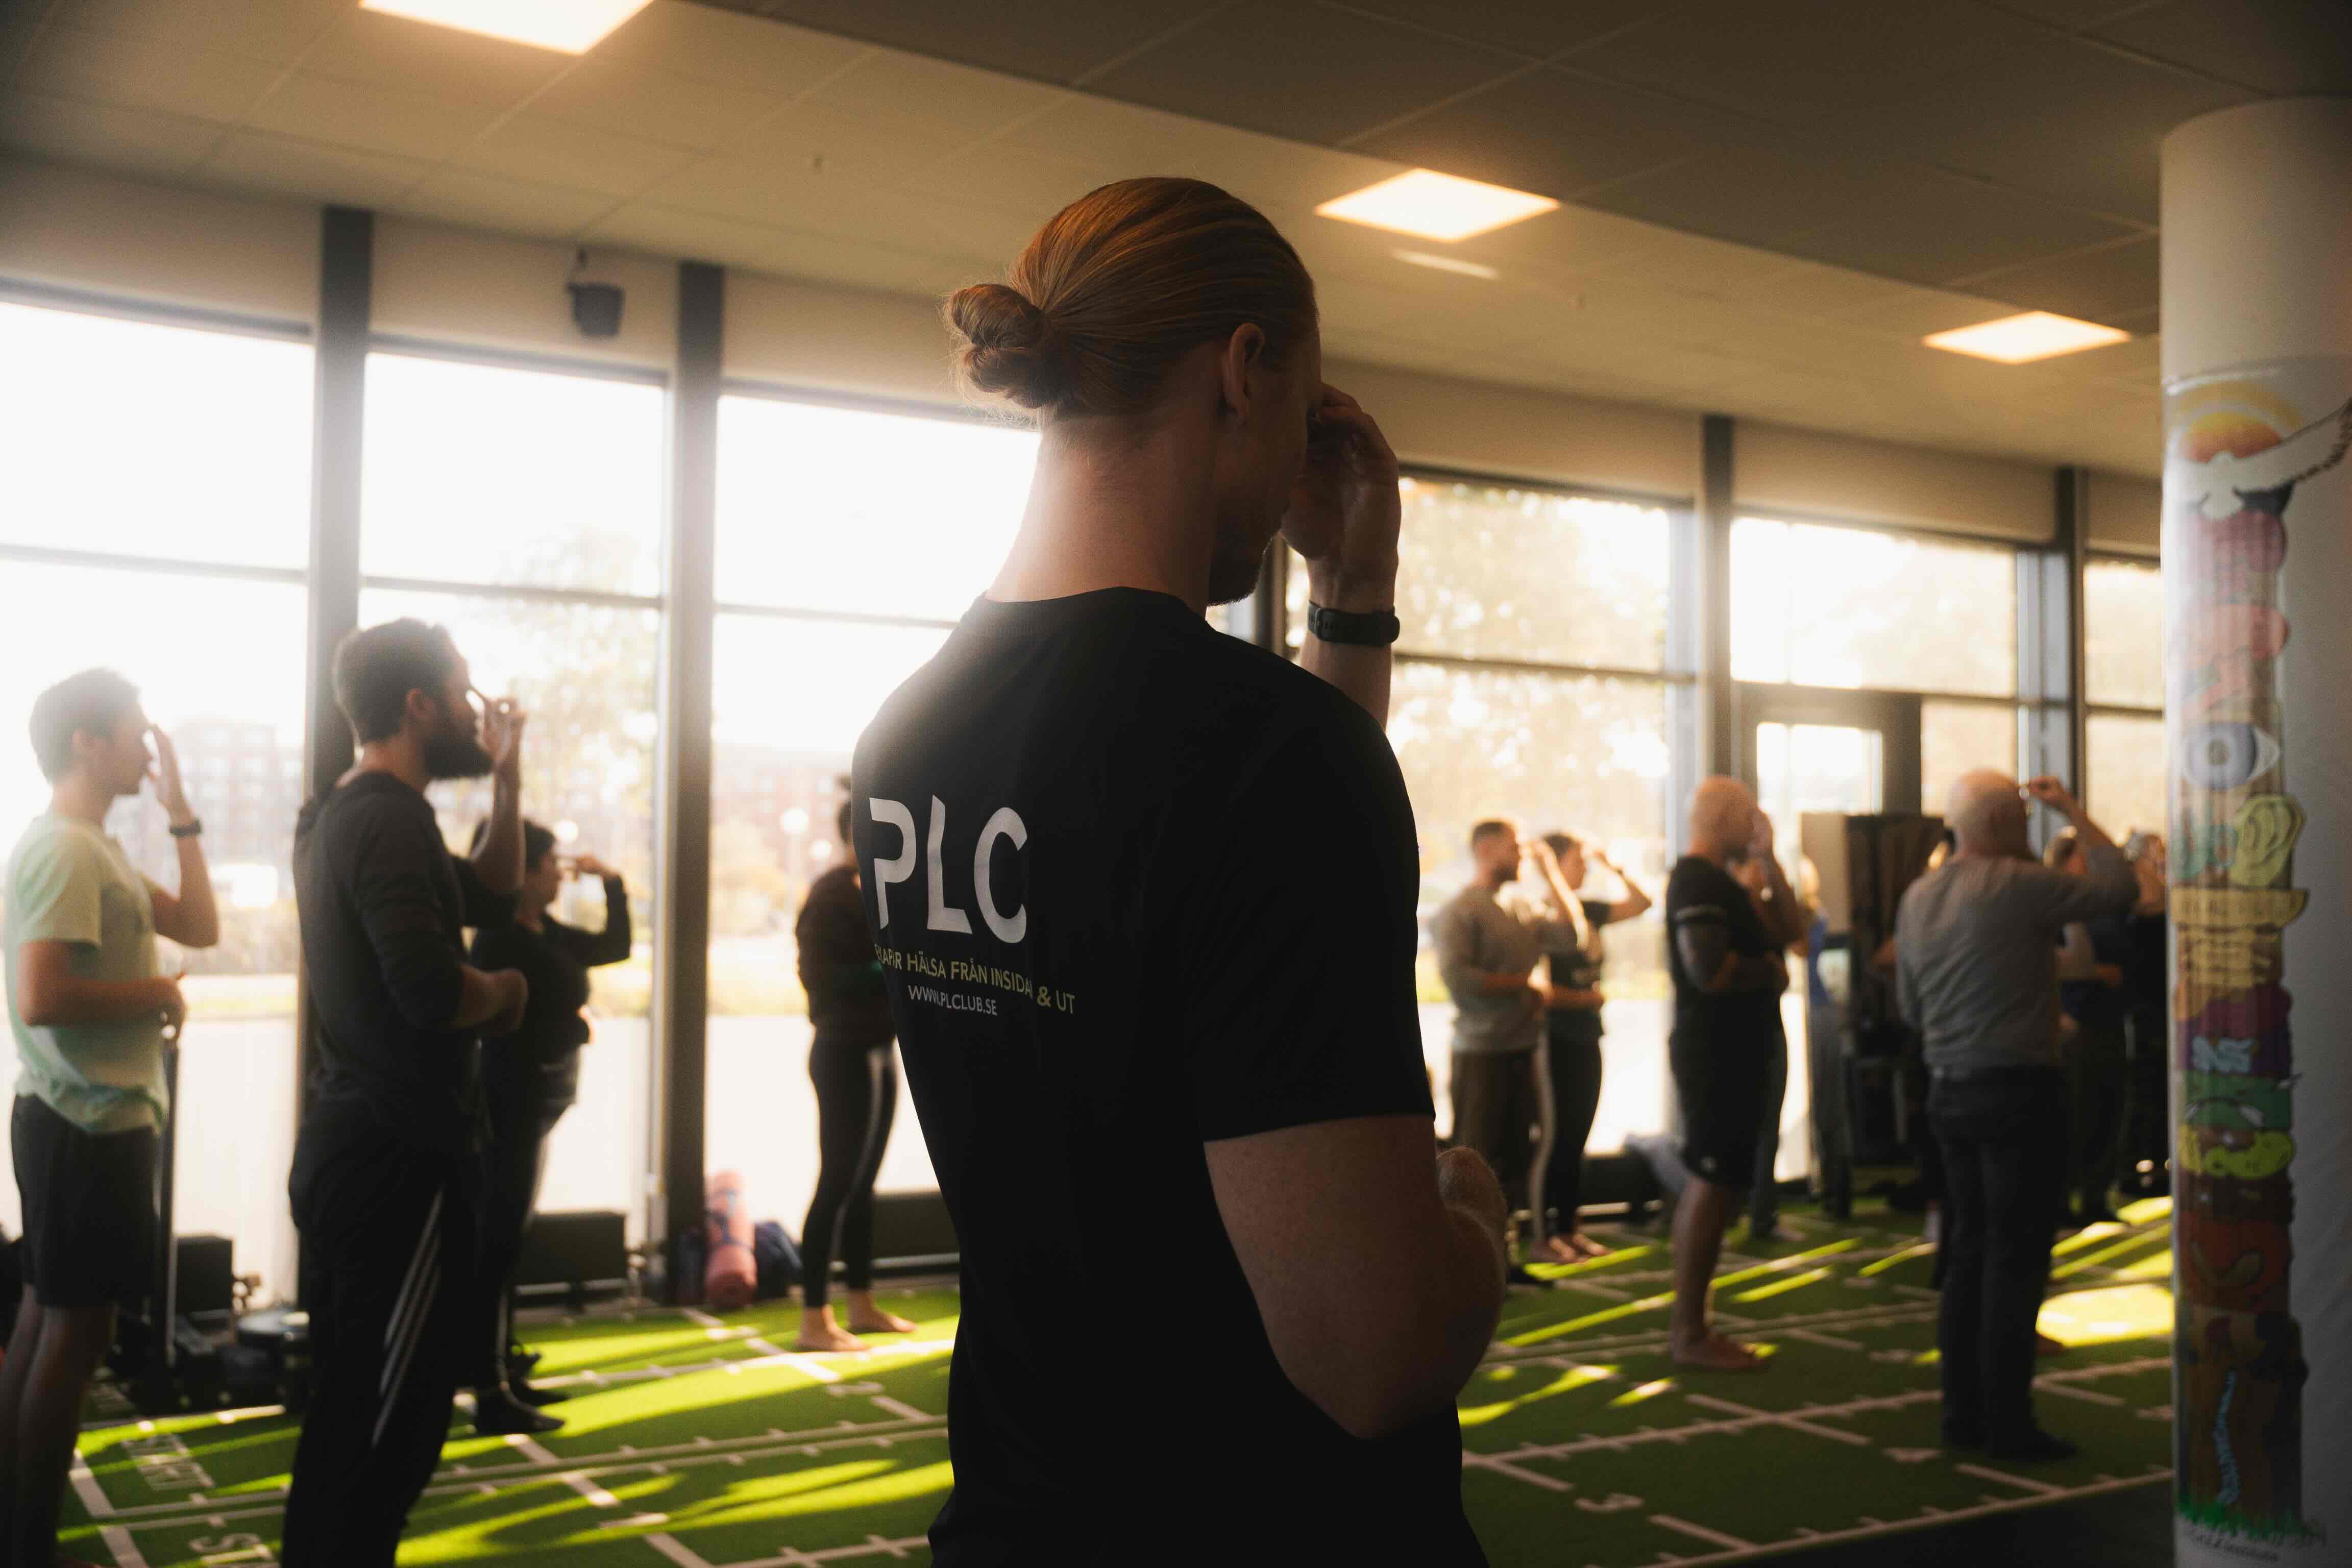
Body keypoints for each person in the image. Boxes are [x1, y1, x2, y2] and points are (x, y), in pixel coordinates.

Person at [854, 177, 1505, 1564]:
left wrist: (1351, 605)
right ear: (1246, 371)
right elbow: (1370, 1358)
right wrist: (1475, 1219)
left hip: (1027, 1511)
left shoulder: (909, 730)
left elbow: (1210, 888)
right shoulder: (1268, 759)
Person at [282, 620, 530, 1566]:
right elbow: (429, 988)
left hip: (362, 1149)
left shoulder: (345, 812)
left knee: (358, 1412)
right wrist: (506, 997)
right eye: (461, 691)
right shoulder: (386, 817)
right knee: (390, 1426)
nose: (476, 709)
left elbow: (495, 891)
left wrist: (508, 777)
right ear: (419, 704)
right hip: (399, 1162)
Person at [1, 671, 215, 1568]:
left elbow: (200, 926)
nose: (147, 745)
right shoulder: (64, 849)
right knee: (70, 1338)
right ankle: (28, 1550)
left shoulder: (100, 849)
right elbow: (42, 994)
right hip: (84, 1123)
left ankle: (16, 1541)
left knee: (47, 1322)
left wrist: (181, 812)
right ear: (87, 742)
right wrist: (157, 992)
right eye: (135, 731)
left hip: (90, 1122)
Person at [1894, 771, 2136, 1462]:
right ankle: (2009, 1422)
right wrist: (2073, 810)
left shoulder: (1918, 897)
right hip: (2018, 1090)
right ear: (2005, 822)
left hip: (1948, 1091)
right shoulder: (2017, 886)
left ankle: (1960, 1415)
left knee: (1966, 1254)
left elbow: (1910, 1010)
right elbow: (2119, 887)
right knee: (2017, 1256)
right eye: (2027, 818)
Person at [462, 819, 632, 1433]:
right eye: (550, 864)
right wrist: (577, 1026)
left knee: (508, 1239)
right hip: (509, 1104)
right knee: (497, 1242)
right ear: (523, 874)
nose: (560, 873)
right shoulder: (500, 938)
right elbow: (513, 1018)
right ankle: (488, 1388)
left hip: (540, 1103)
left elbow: (614, 947)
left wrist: (612, 883)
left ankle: (502, 1365)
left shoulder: (544, 930)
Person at [1662, 777, 1806, 1371]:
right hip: (1714, 1053)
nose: (1755, 823)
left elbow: (1792, 933)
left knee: (1719, 1185)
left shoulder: (1728, 880)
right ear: (1721, 815)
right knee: (1711, 1182)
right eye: (1747, 815)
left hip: (1742, 1052)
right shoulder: (1695, 879)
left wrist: (1769, 858)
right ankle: (1690, 1332)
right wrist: (1768, 972)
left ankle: (1696, 1324)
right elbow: (1710, 972)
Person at [792, 798, 917, 1353]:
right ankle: (813, 1318)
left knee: (864, 1185)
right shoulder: (831, 894)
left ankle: (861, 1304)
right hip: (842, 1051)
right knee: (837, 1182)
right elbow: (818, 978)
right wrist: (890, 962)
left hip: (878, 1047)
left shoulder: (876, 891)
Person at [1432, 822, 1583, 1254]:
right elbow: (1457, 978)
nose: (1523, 855)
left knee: (1517, 1157)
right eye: (1514, 848)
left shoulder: (1520, 904)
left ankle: (1506, 1256)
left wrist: (1553, 874)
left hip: (1523, 1048)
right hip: (1481, 1052)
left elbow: (1573, 937)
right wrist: (1523, 985)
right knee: (1475, 1159)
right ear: (1486, 849)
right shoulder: (1462, 909)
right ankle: (1465, 1257)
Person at [1527, 830, 1650, 1262]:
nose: (1585, 867)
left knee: (1579, 1134)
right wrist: (1584, 999)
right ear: (1555, 865)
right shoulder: (1544, 915)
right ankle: (1545, 1234)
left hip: (1588, 1035)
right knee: (1557, 1137)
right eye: (1577, 860)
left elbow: (1642, 903)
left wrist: (1615, 865)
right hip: (1555, 1037)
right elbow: (1535, 989)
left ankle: (1572, 1229)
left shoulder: (1591, 911)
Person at [2046, 829, 2130, 1226]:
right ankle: (2061, 1199)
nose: (2090, 865)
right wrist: (2096, 973)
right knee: (2074, 1115)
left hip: (2110, 1019)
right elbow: (2043, 962)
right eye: (2083, 857)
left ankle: (2097, 1199)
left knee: (2108, 1112)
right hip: (2073, 1022)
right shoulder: (2052, 907)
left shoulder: (2104, 907)